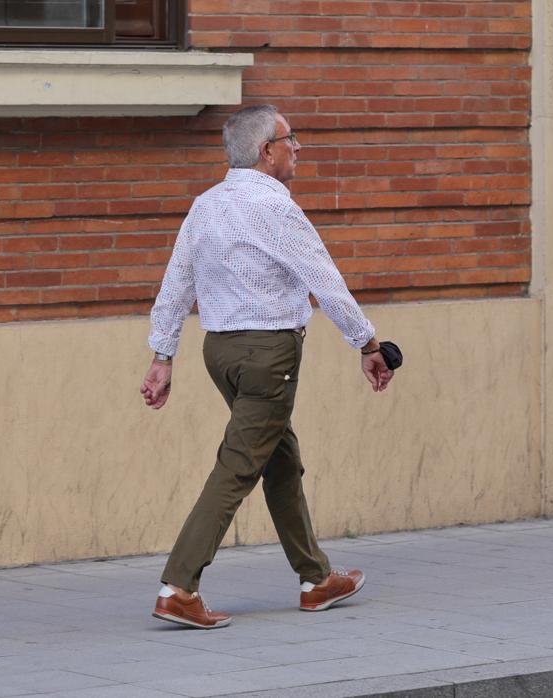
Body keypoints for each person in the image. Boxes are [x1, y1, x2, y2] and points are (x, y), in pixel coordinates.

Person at [140, 104, 395, 629]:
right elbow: (323, 277)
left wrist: (163, 356)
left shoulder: (205, 205)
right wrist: (368, 343)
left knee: (280, 459)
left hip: (222, 354)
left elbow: (174, 285)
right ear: (267, 151)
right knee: (238, 467)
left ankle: (317, 578)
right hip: (268, 355)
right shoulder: (275, 207)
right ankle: (178, 587)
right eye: (291, 139)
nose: (298, 148)